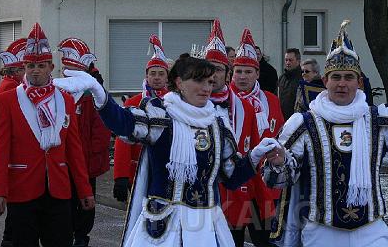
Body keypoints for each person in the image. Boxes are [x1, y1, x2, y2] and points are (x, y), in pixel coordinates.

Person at [59, 54, 283, 246]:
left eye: (209, 81)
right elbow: (124, 123)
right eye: (199, 80)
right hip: (163, 228)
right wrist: (99, 92)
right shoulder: (161, 116)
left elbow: (231, 176)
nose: (206, 87)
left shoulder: (217, 125)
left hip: (205, 228)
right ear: (179, 82)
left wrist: (256, 155)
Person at [262, 20, 388, 246]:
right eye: (336, 77)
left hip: (370, 230)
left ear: (359, 82)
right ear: (325, 81)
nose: (342, 84)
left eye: (348, 77)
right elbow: (279, 180)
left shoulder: (377, 119)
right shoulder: (304, 123)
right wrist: (279, 162)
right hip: (322, 231)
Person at [0, 23, 95, 247]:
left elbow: (74, 150)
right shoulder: (7, 100)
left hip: (58, 189)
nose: (35, 70)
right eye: (30, 66)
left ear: (51, 67)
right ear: (24, 67)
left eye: (41, 65)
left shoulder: (65, 100)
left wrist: (84, 189)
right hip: (22, 188)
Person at [195, 20, 264, 247]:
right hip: (199, 197)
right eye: (209, 68)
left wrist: (259, 197)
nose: (213, 75)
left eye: (219, 69)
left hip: (235, 195)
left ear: (227, 74)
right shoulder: (187, 106)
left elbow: (254, 155)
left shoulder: (245, 109)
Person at [230, 28, 285, 245]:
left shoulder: (271, 100)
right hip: (235, 180)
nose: (242, 76)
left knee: (263, 238)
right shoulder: (226, 100)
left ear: (257, 73)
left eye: (248, 71)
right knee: (233, 238)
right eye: (238, 71)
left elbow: (280, 134)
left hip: (262, 183)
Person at [57, 37, 112, 247]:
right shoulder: (59, 91)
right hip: (63, 160)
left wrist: (93, 156)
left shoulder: (94, 94)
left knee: (86, 200)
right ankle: (67, 233)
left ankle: (81, 236)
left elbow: (101, 130)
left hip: (86, 160)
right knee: (65, 200)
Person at [112, 34, 170, 202]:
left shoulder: (175, 102)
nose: (157, 77)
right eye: (153, 73)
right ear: (146, 76)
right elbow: (122, 140)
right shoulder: (133, 103)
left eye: (161, 73)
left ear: (167, 77)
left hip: (168, 170)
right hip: (138, 171)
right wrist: (121, 175)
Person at [0, 38, 28, 247]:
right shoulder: (11, 89)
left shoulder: (11, 85)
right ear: (17, 71)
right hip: (16, 157)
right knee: (16, 219)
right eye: (26, 68)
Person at [277, 48, 302, 120]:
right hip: (281, 118)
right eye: (286, 60)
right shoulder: (282, 78)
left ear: (298, 61)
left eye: (290, 60)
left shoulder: (302, 79)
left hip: (295, 119)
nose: (287, 63)